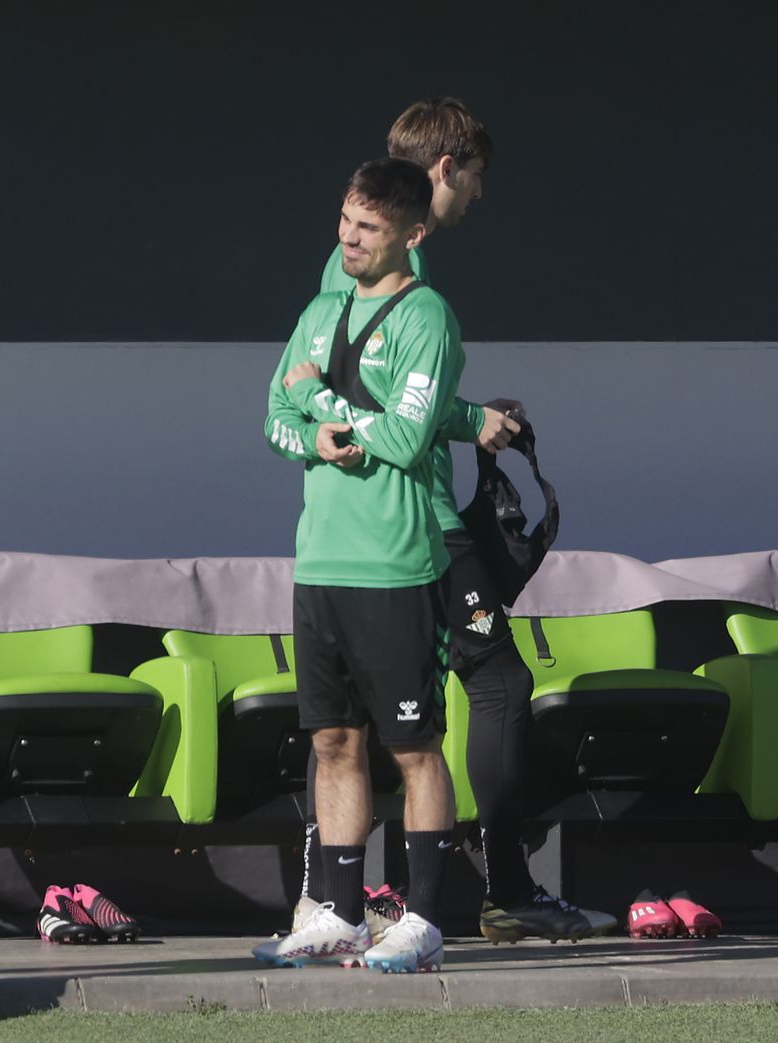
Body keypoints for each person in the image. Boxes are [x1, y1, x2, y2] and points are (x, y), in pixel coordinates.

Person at [293, 98, 615, 946]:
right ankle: (491, 889)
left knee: (371, 723)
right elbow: (361, 399)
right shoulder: (383, 274)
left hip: (402, 525)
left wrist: (466, 416)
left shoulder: (397, 270)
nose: (478, 194)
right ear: (446, 170)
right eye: (473, 177)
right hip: (414, 528)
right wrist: (466, 418)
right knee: (495, 688)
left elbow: (380, 396)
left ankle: (375, 896)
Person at [262, 157, 514, 973]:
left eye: (366, 229)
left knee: (413, 745)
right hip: (320, 563)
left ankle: (425, 918)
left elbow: (406, 439)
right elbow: (272, 414)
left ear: (411, 233)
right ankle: (337, 910)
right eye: (344, 222)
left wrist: (325, 405)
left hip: (396, 567)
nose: (348, 239)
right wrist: (311, 434)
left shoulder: (428, 316)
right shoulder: (320, 307)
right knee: (334, 740)